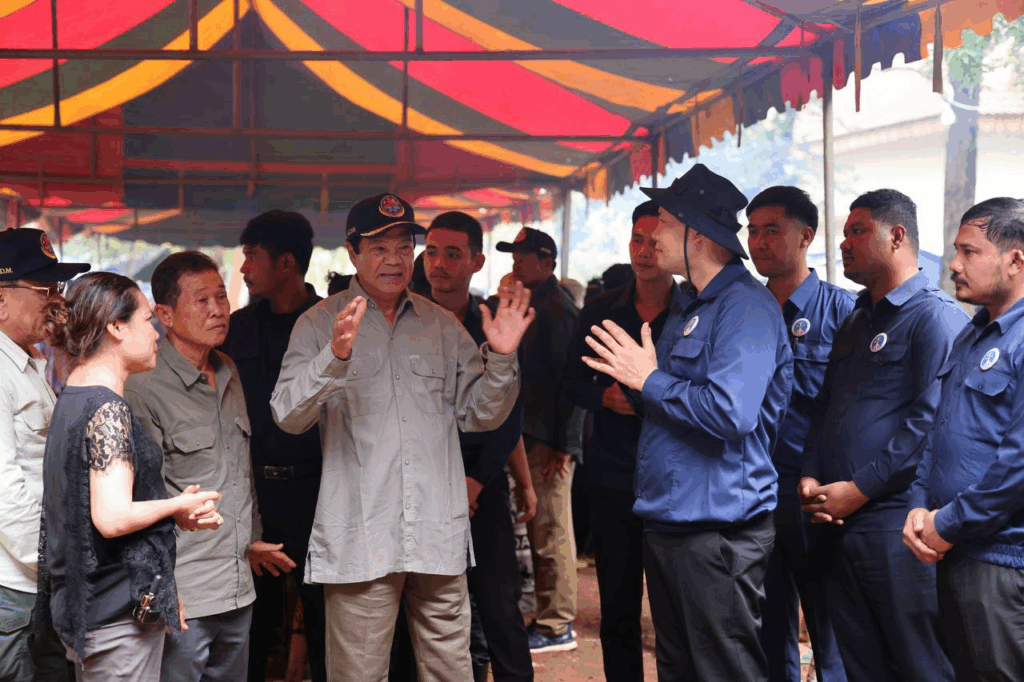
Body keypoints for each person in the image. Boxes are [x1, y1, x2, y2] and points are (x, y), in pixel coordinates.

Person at [270, 193, 533, 682]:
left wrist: (501, 357)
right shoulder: (320, 323)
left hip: (436, 529)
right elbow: (287, 416)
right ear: (352, 252)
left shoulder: (442, 326)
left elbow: (481, 415)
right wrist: (334, 357)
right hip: (362, 533)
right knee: (359, 673)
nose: (394, 259)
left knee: (450, 669)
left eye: (403, 246)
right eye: (378, 247)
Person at [583, 164, 793, 680]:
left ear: (697, 234)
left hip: (717, 530)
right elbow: (673, 407)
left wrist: (648, 380)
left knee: (722, 669)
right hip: (673, 520)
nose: (653, 233)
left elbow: (731, 412)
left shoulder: (744, 308)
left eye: (666, 222)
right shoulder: (690, 307)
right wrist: (641, 384)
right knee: (678, 668)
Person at [799, 189, 966, 681]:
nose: (844, 244)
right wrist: (810, 475)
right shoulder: (856, 320)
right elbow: (825, 405)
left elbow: (927, 424)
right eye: (844, 233)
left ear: (896, 236)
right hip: (837, 522)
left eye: (857, 232)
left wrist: (858, 489)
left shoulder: (934, 316)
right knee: (861, 665)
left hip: (897, 525)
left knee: (920, 663)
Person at [37, 272, 224, 681]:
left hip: (89, 607)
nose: (156, 334)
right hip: (115, 618)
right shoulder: (108, 409)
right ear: (116, 327)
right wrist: (177, 504)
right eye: (147, 320)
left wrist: (172, 512)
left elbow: (86, 503)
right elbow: (112, 516)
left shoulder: (74, 394)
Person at [125, 251, 294, 682]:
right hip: (185, 594)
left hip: (237, 587)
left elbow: (237, 472)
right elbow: (137, 500)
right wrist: (159, 588)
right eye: (202, 300)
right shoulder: (143, 386)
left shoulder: (228, 370)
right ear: (165, 314)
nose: (219, 310)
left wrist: (250, 541)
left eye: (221, 297)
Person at [903, 197, 1024, 680]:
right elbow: (937, 432)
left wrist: (948, 522)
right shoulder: (972, 335)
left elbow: (1018, 464)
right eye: (956, 250)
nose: (954, 264)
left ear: (1016, 260)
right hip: (953, 550)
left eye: (969, 251)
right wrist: (919, 509)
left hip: (1003, 562)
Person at [562, 200, 676, 682]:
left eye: (655, 241)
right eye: (637, 240)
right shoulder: (601, 308)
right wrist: (602, 396)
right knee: (618, 607)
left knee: (676, 612)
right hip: (613, 474)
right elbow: (568, 380)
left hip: (675, 479)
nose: (645, 251)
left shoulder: (694, 309)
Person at [423, 211, 536, 682]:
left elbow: (510, 416)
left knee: (498, 603)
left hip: (481, 481)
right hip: (421, 483)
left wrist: (477, 481)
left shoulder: (493, 323)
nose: (439, 264)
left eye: (453, 254)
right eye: (431, 252)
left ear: (476, 261)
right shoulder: (405, 322)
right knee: (429, 609)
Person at [745, 186, 852, 682]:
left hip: (815, 493)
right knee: (766, 625)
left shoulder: (844, 312)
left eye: (772, 230)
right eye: (752, 230)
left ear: (806, 236)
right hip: (752, 489)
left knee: (831, 624)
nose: (758, 241)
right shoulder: (742, 311)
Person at [219, 211, 326, 682]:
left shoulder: (330, 325)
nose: (244, 268)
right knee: (254, 622)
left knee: (324, 617)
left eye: (252, 256)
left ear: (286, 262)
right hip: (254, 494)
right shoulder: (237, 328)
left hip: (320, 492)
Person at [0, 228, 89, 682]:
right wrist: (57, 564)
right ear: (1, 300)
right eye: (45, 289)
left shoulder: (27, 361)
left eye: (58, 287)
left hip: (39, 579)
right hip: (15, 585)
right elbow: (5, 491)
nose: (58, 300)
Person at [495, 226, 583, 652]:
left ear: (546, 262)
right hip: (534, 432)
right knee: (542, 527)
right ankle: (551, 619)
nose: (516, 264)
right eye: (514, 256)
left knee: (551, 530)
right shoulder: (535, 303)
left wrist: (565, 445)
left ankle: (556, 625)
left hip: (549, 439)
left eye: (525, 257)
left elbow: (574, 382)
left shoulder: (558, 310)